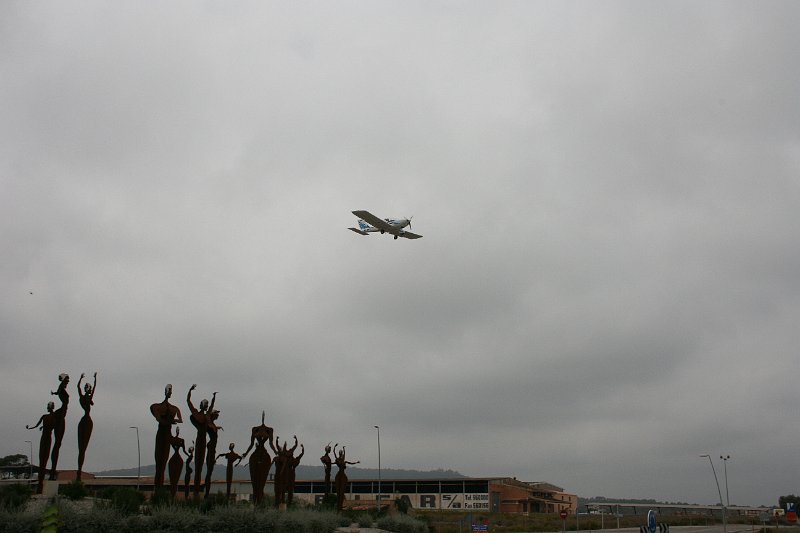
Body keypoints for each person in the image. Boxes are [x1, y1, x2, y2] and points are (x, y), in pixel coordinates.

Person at [237, 411, 274, 505]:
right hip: (256, 453)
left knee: (262, 480)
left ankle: (260, 500)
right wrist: (245, 453)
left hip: (264, 454)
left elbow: (271, 444)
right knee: (254, 480)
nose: (263, 417)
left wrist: (276, 451)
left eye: (264, 416)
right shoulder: (255, 429)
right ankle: (255, 500)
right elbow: (251, 444)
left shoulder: (269, 430)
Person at [150, 384, 182, 488]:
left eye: (171, 391)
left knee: (162, 463)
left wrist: (171, 420)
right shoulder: (156, 406)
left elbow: (180, 420)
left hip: (167, 434)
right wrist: (171, 420)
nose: (170, 393)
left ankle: (159, 488)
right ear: (165, 392)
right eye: (169, 391)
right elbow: (160, 420)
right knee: (159, 463)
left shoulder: (174, 409)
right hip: (162, 434)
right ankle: (157, 487)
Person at [26, 401, 57, 494]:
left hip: (45, 438)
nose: (47, 407)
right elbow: (37, 425)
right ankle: (40, 485)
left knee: (43, 458)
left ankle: (40, 485)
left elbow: (37, 425)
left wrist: (34, 427)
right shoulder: (49, 417)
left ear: (50, 407)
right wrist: (34, 427)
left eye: (48, 406)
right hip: (46, 438)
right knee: (43, 458)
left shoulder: (48, 417)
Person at [187, 385, 213, 496]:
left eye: (207, 404)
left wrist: (213, 398)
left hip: (204, 441)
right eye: (205, 404)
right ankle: (196, 490)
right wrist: (190, 391)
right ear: (202, 405)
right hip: (199, 440)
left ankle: (197, 491)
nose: (207, 406)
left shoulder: (207, 416)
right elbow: (188, 402)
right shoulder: (197, 415)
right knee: (198, 464)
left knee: (201, 464)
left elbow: (211, 408)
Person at [76, 372, 97, 481]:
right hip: (87, 421)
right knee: (83, 448)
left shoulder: (82, 397)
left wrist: (80, 379)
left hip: (83, 421)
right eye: (89, 388)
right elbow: (93, 390)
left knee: (81, 448)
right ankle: (79, 473)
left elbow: (78, 387)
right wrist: (95, 379)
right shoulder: (87, 398)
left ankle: (79, 472)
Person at [49, 373, 70, 480]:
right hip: (62, 412)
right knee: (58, 443)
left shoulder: (61, 388)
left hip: (62, 411)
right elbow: (61, 391)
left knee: (58, 443)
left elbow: (59, 392)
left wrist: (55, 393)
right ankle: (52, 472)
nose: (68, 382)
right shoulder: (61, 387)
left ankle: (53, 471)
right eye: (67, 380)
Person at [203, 408, 222, 498]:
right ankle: (206, 493)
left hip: (213, 448)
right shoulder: (209, 424)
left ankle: (207, 491)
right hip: (211, 447)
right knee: (209, 471)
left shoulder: (212, 424)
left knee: (210, 470)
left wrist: (217, 427)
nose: (218, 415)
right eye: (216, 414)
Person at [334, 445, 359, 511]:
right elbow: (335, 455)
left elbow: (350, 462)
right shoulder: (339, 460)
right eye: (341, 453)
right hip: (340, 474)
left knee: (341, 492)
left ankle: (340, 507)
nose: (341, 455)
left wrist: (356, 462)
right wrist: (334, 448)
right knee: (339, 492)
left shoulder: (343, 461)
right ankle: (339, 507)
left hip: (342, 475)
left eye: (341, 453)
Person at [168, 426, 189, 498]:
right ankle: (172, 493)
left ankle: (173, 493)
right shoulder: (172, 439)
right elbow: (173, 445)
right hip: (174, 459)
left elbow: (184, 450)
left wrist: (189, 455)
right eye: (176, 430)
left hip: (178, 459)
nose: (177, 431)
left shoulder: (181, 440)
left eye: (178, 430)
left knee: (176, 477)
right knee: (172, 478)